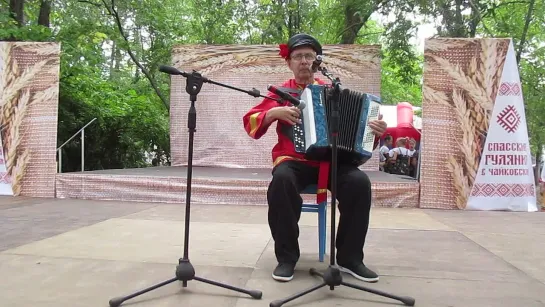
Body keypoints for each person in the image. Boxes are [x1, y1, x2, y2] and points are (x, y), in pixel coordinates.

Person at [242, 33, 387, 283]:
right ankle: (287, 257)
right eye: (298, 56)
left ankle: (350, 258)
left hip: (332, 161)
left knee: (359, 183)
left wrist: (376, 131)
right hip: (293, 161)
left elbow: (359, 132)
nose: (304, 61)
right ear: (289, 62)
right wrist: (274, 113)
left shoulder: (333, 90)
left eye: (309, 56)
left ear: (316, 61)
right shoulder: (280, 92)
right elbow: (250, 122)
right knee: (282, 181)